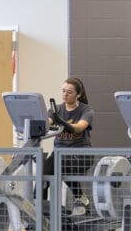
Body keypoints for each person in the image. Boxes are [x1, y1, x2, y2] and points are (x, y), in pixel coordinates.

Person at [43, 77, 94, 216]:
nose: (65, 94)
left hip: (81, 155)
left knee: (57, 162)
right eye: (63, 91)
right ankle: (41, 211)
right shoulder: (56, 110)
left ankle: (80, 196)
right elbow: (47, 122)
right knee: (43, 175)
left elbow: (78, 128)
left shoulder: (86, 110)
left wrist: (61, 122)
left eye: (69, 92)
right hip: (60, 156)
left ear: (78, 94)